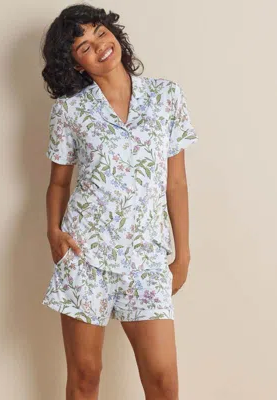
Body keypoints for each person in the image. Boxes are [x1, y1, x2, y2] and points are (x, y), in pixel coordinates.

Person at [40, 4, 198, 399]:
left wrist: (182, 255)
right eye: (83, 46)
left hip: (146, 258)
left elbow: (176, 183)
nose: (98, 45)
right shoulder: (69, 111)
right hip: (85, 255)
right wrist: (54, 234)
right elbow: (58, 183)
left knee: (162, 379)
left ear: (113, 32)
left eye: (99, 32)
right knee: (85, 377)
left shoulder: (166, 96)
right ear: (76, 64)